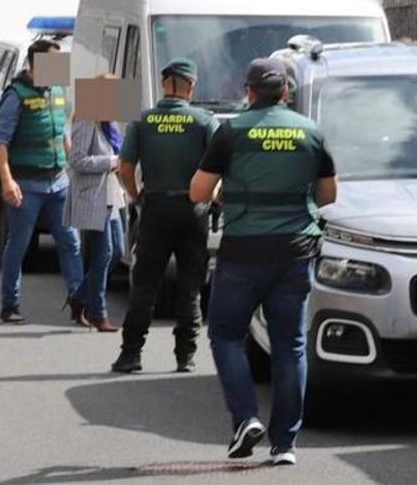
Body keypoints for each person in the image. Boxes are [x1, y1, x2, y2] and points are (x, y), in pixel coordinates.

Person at [190, 58, 338, 467]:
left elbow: (198, 192)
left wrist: (227, 193)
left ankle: (245, 419)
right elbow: (328, 195)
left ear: (249, 91)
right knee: (290, 345)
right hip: (295, 251)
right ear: (286, 92)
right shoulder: (311, 132)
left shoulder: (231, 131)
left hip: (243, 250)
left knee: (225, 334)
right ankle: (285, 443)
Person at [111, 58, 217, 374]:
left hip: (155, 209)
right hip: (192, 211)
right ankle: (185, 356)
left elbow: (125, 168)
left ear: (163, 83)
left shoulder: (142, 122)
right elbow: (218, 171)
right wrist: (210, 198)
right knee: (190, 287)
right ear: (191, 86)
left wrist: (136, 195)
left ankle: (131, 354)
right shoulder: (204, 122)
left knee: (144, 285)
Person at [0, 39, 84, 324]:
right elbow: (1, 140)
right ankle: (10, 304)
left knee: (71, 242)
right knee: (18, 244)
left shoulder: (58, 91)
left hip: (59, 181)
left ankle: (78, 302)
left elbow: (63, 133)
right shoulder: (16, 95)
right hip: (27, 184)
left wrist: (74, 167)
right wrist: (7, 180)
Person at [64, 78, 124, 332]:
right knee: (104, 254)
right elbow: (76, 160)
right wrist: (110, 161)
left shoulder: (109, 124)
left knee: (118, 252)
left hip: (111, 193)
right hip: (93, 195)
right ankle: (97, 312)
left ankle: (78, 297)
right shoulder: (86, 120)